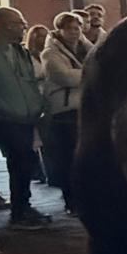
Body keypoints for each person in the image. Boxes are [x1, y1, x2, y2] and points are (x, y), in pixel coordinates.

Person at [0, 7, 50, 228]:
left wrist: (37, 105)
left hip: (24, 117)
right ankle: (19, 213)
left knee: (24, 163)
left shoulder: (20, 52)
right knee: (18, 162)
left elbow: (29, 82)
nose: (24, 27)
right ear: (5, 26)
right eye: (20, 24)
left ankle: (23, 207)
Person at [41, 12, 86, 214]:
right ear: (59, 30)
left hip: (83, 108)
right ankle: (71, 200)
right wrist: (92, 72)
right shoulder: (50, 53)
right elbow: (64, 76)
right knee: (68, 158)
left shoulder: (84, 49)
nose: (75, 32)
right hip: (64, 111)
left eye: (77, 28)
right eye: (69, 28)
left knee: (83, 157)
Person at [24, 24, 49, 183]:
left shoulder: (48, 54)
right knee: (36, 137)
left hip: (49, 98)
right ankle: (37, 169)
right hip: (34, 97)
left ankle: (46, 168)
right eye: (40, 36)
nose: (43, 39)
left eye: (45, 35)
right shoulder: (27, 57)